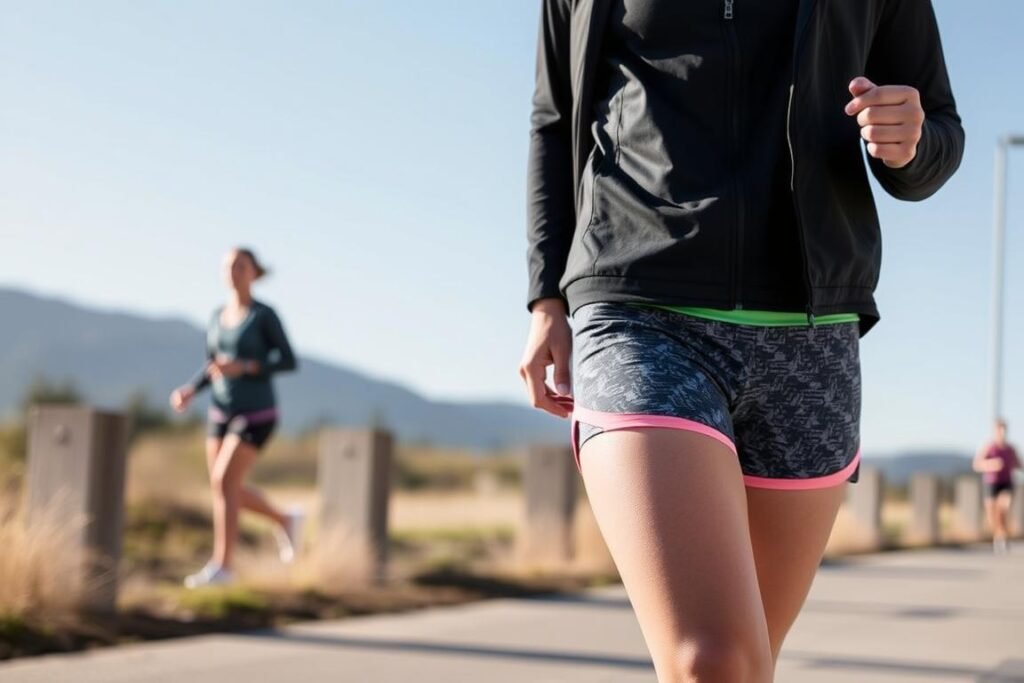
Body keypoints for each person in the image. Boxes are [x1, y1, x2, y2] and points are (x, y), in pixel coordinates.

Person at [519, 1, 963, 681]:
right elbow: (556, 120)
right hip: (640, 308)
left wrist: (911, 142)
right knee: (713, 660)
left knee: (751, 663)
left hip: (810, 335)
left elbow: (937, 132)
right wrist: (545, 295)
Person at [170, 247, 303, 588]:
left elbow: (288, 360)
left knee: (223, 482)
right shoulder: (216, 316)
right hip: (221, 409)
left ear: (254, 273)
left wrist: (247, 366)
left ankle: (223, 566)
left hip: (257, 412)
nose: (234, 271)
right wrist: (190, 389)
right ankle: (285, 519)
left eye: (241, 266)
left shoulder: (264, 316)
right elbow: (213, 364)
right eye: (228, 266)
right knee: (224, 487)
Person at [973, 418, 1021, 554]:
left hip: (1006, 483)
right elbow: (977, 464)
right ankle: (998, 536)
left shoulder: (1011, 449)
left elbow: (1019, 464)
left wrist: (1012, 464)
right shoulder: (989, 447)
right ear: (996, 431)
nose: (1003, 432)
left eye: (1004, 429)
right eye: (1000, 430)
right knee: (992, 515)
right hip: (991, 483)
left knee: (1003, 509)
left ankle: (1003, 538)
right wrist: (991, 464)